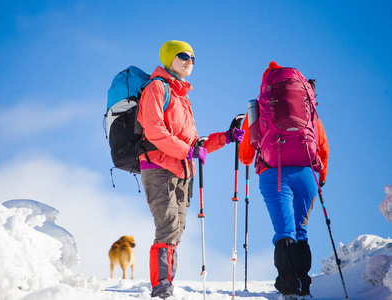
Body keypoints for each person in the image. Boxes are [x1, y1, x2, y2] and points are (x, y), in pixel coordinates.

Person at [137, 40, 244, 299]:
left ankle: (166, 285)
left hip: (182, 172)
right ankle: (161, 288)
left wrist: (226, 137)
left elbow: (194, 143)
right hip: (159, 167)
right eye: (183, 56)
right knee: (169, 225)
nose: (190, 61)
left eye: (193, 58)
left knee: (177, 229)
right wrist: (188, 151)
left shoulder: (182, 98)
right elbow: (155, 131)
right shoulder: (156, 88)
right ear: (169, 59)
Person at [238, 62, 329, 300]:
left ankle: (288, 289)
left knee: (284, 230)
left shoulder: (260, 108)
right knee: (301, 230)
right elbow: (322, 147)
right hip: (306, 174)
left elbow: (246, 156)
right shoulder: (308, 110)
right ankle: (304, 288)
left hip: (274, 173)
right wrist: (321, 178)